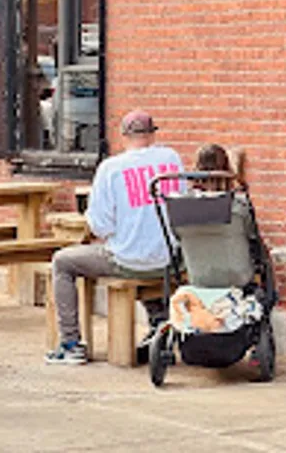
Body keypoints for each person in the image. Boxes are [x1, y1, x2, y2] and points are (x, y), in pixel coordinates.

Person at [46, 109, 183, 365]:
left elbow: (100, 227)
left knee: (62, 262)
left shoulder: (111, 168)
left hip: (129, 260)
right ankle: (157, 324)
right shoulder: (171, 159)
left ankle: (71, 344)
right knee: (147, 250)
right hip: (169, 259)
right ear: (152, 135)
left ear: (123, 137)